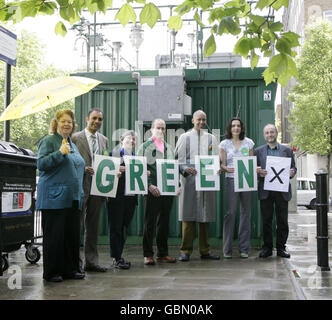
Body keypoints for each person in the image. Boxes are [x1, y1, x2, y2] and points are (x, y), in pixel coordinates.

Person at [36, 109, 85, 282]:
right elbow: (41, 164)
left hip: (72, 197)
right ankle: (52, 272)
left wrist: (84, 168)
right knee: (55, 236)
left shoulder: (71, 142)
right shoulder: (49, 141)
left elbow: (73, 164)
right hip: (54, 197)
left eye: (70, 122)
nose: (67, 124)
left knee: (71, 235)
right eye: (63, 121)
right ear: (56, 123)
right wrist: (59, 153)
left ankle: (70, 269)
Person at [175, 110, 220, 262]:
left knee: (204, 216)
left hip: (206, 179)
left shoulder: (212, 138)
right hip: (189, 180)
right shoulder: (184, 137)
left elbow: (216, 159)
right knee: (188, 216)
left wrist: (217, 168)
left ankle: (205, 250)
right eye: (199, 119)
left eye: (204, 119)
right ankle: (185, 251)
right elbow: (178, 160)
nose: (201, 122)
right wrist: (184, 169)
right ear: (193, 120)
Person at [72, 108, 109, 272]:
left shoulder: (104, 140)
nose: (97, 122)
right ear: (87, 118)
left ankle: (91, 261)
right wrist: (82, 168)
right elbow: (70, 162)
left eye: (100, 119)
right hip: (80, 186)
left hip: (98, 187)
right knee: (76, 225)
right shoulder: (75, 138)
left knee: (93, 226)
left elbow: (106, 161)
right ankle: (75, 263)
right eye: (94, 118)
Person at [137, 119, 177, 265]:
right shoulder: (144, 147)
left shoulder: (169, 148)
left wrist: (176, 185)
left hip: (167, 190)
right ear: (152, 129)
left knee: (164, 222)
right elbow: (139, 168)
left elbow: (173, 167)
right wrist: (148, 186)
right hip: (152, 189)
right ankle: (147, 254)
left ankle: (162, 253)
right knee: (150, 222)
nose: (161, 131)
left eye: (163, 128)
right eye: (158, 128)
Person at [254, 124, 296, 259]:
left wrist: (292, 172)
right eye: (267, 133)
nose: (270, 135)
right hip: (266, 190)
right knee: (266, 220)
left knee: (282, 220)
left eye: (272, 132)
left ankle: (281, 248)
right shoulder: (258, 151)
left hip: (282, 190)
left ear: (276, 133)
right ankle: (267, 247)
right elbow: (254, 170)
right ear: (264, 135)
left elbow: (293, 168)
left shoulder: (287, 150)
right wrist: (258, 172)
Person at [219, 117, 254, 259]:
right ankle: (227, 249)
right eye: (233, 125)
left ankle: (244, 249)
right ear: (230, 128)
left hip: (246, 180)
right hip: (231, 180)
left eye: (238, 125)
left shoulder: (249, 143)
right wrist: (225, 168)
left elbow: (251, 162)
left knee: (246, 213)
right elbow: (222, 164)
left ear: (241, 128)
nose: (236, 128)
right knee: (230, 213)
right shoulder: (224, 144)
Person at [107, 130, 138, 269]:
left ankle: (119, 256)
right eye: (129, 139)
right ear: (121, 140)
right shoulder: (112, 155)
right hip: (116, 198)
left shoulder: (136, 158)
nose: (131, 141)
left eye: (134, 140)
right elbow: (105, 175)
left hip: (130, 199)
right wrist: (115, 171)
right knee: (115, 228)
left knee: (124, 227)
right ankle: (116, 258)